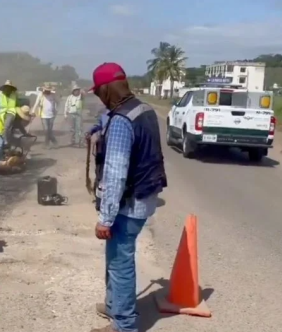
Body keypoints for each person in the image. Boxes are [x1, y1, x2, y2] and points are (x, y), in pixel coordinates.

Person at [89, 63, 167, 332]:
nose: (99, 97)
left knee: (121, 262)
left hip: (127, 203)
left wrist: (105, 219)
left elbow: (115, 175)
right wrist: (97, 129)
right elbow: (109, 119)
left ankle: (123, 324)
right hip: (144, 196)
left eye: (99, 91)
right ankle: (114, 306)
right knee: (115, 257)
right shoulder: (142, 109)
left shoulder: (121, 121)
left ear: (107, 89)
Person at [32, 84, 58, 148]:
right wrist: (33, 111)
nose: (47, 91)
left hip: (51, 115)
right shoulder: (40, 95)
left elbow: (58, 102)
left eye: (48, 90)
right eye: (46, 90)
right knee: (46, 130)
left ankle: (48, 144)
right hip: (43, 115)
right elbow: (36, 103)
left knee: (49, 130)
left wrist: (56, 110)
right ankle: (51, 143)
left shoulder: (53, 95)